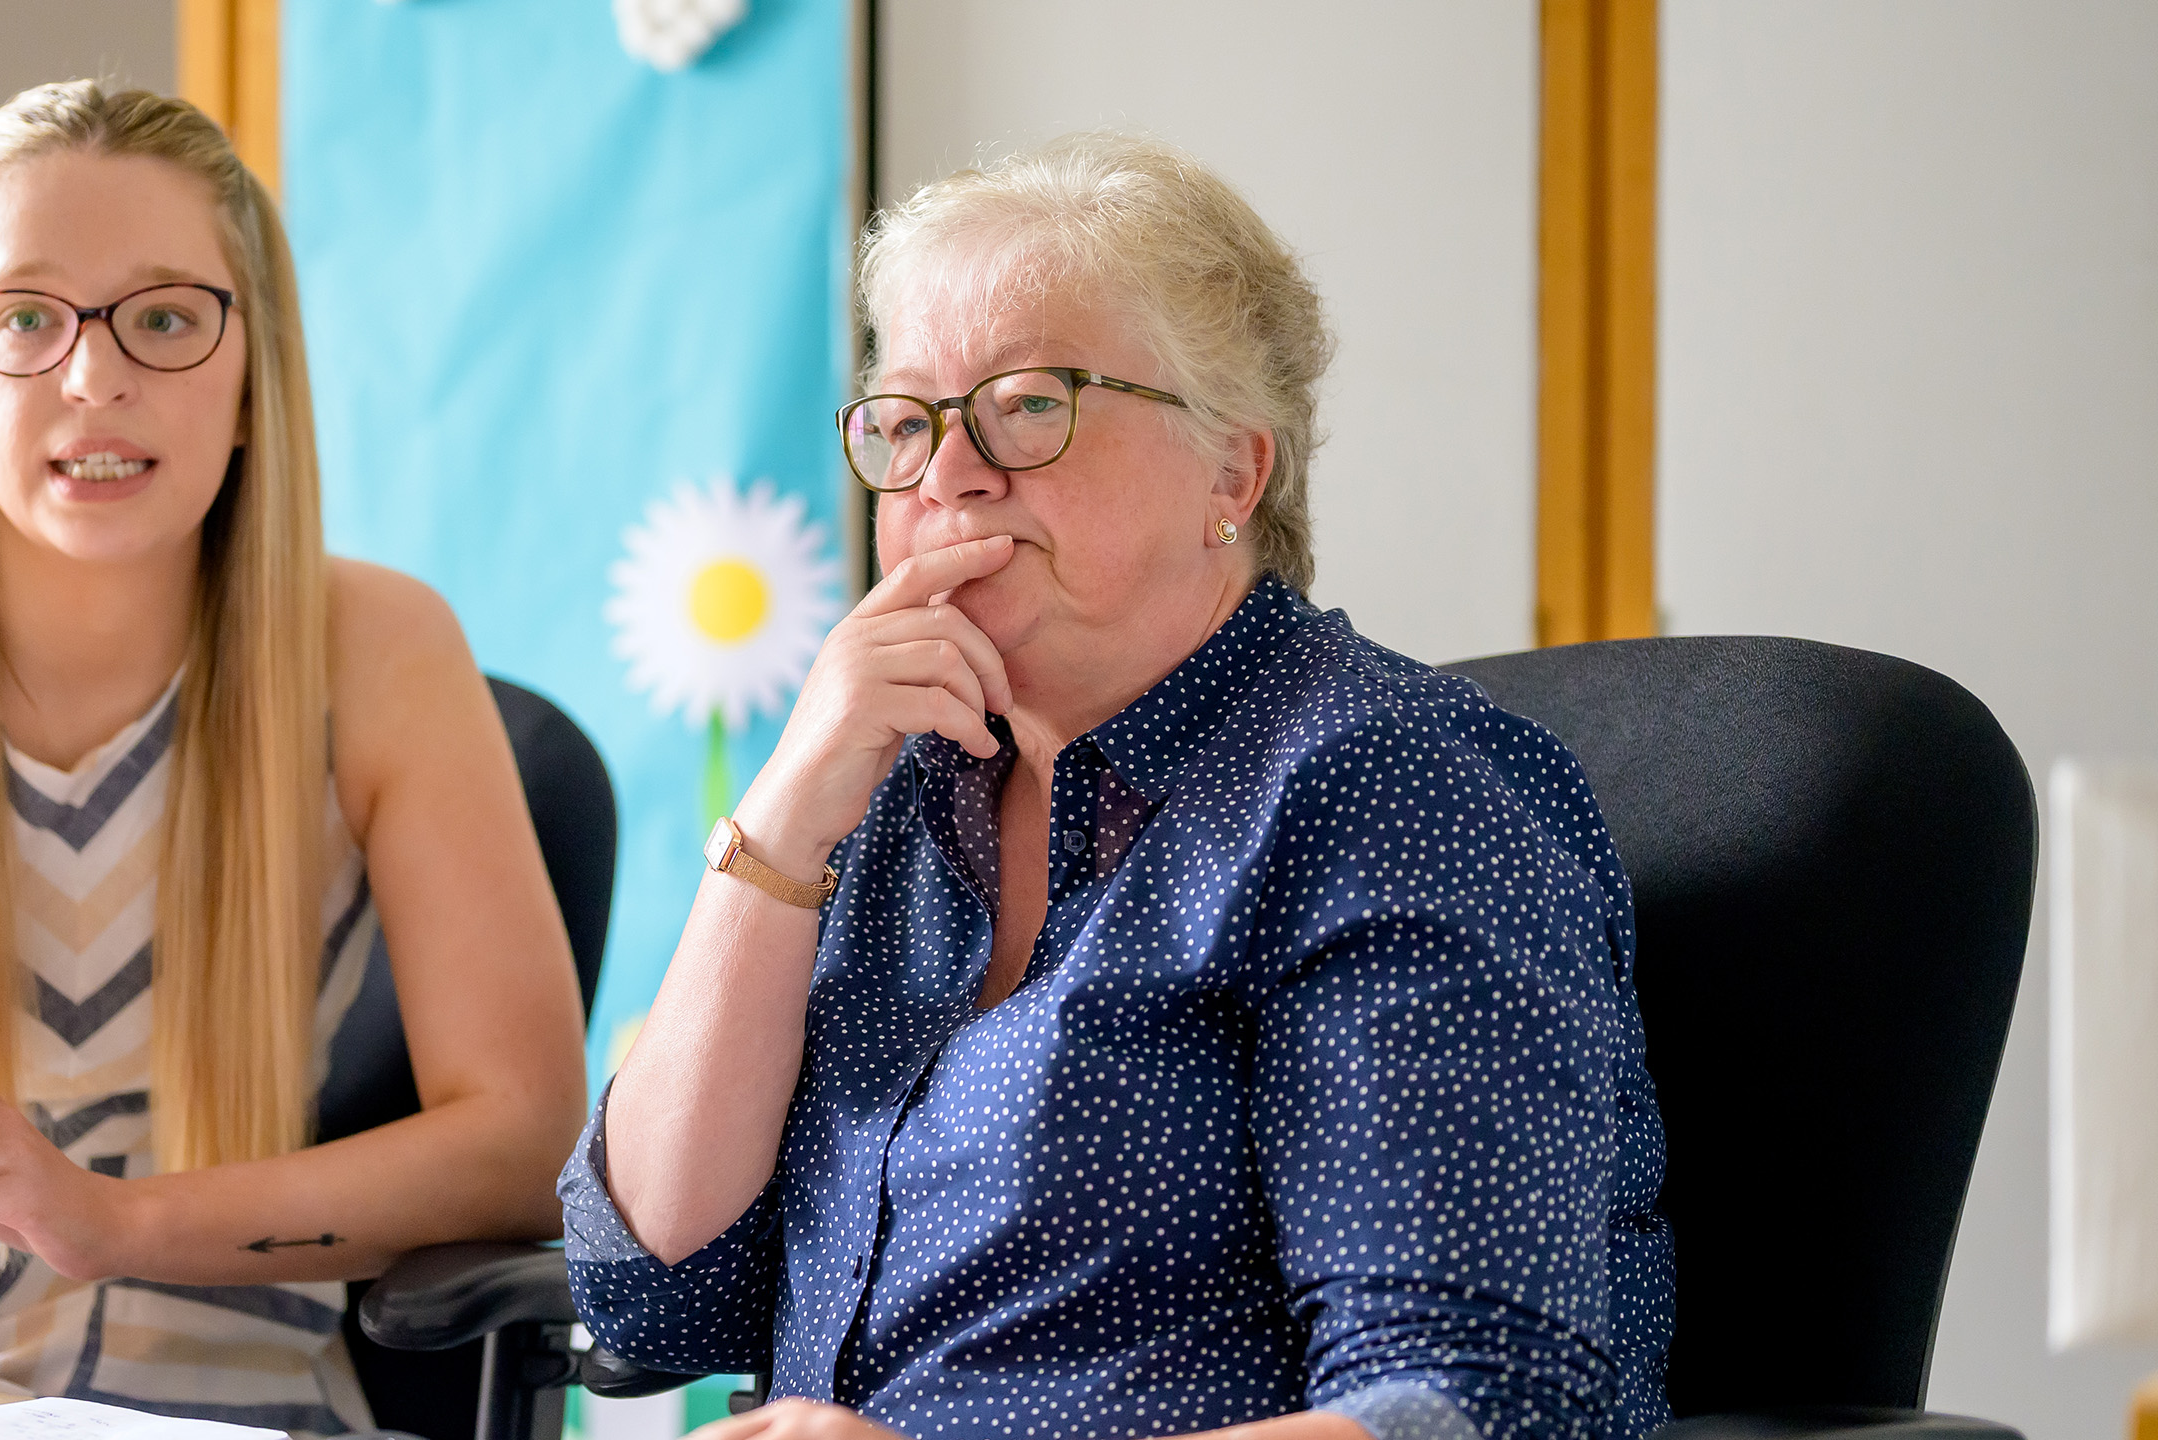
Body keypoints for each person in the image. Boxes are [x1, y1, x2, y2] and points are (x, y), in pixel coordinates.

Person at [565, 132, 1673, 1440]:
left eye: (1031, 404)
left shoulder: (1388, 784)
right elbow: (654, 1290)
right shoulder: (893, 791)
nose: (949, 473)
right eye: (905, 421)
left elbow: (1471, 1408)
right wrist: (787, 810)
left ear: (1232, 472)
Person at [0, 81, 587, 1433]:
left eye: (168, 318)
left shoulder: (378, 652)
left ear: (253, 381)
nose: (94, 376)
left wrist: (112, 1222)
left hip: (220, 1403)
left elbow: (525, 1148)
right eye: (24, 318)